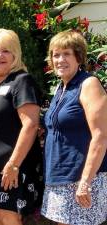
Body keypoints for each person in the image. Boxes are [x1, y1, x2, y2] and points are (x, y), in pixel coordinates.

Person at [0, 28, 42, 225]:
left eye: (6, 51)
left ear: (15, 54)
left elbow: (30, 125)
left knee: (10, 216)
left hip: (12, 166)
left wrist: (13, 165)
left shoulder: (22, 81)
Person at [41, 30, 107, 225]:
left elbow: (100, 137)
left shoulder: (89, 84)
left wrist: (85, 182)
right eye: (55, 55)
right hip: (59, 177)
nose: (60, 60)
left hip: (82, 179)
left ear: (79, 57)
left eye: (66, 54)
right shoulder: (62, 88)